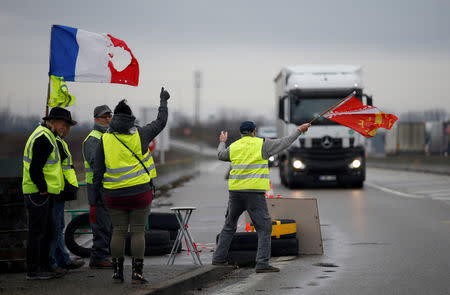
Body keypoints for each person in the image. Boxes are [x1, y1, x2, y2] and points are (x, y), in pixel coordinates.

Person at [93, 87, 170, 284]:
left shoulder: (105, 139)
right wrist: (163, 101)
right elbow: (161, 122)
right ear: (130, 119)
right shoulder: (141, 134)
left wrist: (95, 196)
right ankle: (137, 273)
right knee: (137, 231)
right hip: (139, 193)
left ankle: (117, 272)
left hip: (113, 195)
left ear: (114, 119)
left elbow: (98, 171)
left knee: (118, 231)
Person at [212, 120, 310, 273]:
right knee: (264, 228)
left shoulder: (235, 146)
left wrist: (222, 142)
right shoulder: (262, 144)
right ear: (254, 132)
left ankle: (218, 259)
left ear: (240, 133)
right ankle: (262, 264)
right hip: (254, 194)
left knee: (229, 225)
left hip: (235, 193)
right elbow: (285, 142)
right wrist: (299, 130)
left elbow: (220, 155)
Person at [22, 107, 76, 280]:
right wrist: (43, 188)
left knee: (48, 231)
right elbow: (35, 168)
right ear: (52, 121)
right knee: (38, 233)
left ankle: (45, 267)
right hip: (38, 193)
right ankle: (34, 270)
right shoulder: (44, 137)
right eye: (63, 123)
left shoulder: (48, 136)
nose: (65, 128)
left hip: (44, 193)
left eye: (67, 125)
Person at [49, 131, 85, 273]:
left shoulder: (58, 140)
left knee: (58, 226)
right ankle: (56, 261)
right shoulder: (54, 141)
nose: (66, 129)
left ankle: (61, 260)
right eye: (64, 125)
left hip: (60, 190)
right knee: (55, 227)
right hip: (56, 190)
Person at [82, 104, 114, 269]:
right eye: (104, 116)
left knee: (107, 223)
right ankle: (98, 258)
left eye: (110, 116)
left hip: (107, 187)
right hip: (97, 189)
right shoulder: (93, 139)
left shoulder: (108, 137)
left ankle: (103, 255)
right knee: (100, 224)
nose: (108, 119)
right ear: (96, 119)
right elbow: (97, 164)